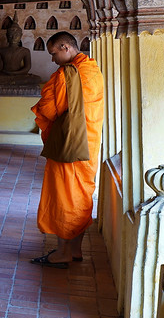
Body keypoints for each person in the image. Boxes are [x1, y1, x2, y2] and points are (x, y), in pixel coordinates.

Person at [30, 31, 104, 268]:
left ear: (65, 47)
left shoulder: (67, 74)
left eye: (54, 53)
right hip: (89, 143)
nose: (53, 60)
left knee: (65, 195)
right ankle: (74, 249)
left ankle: (62, 252)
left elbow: (49, 110)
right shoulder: (92, 70)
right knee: (81, 193)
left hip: (70, 143)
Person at [0, 12, 41, 87]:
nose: (13, 37)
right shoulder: (0, 51)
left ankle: (8, 82)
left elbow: (27, 67)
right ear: (7, 36)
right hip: (4, 75)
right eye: (11, 35)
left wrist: (15, 73)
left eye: (16, 35)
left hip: (19, 75)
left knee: (37, 79)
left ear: (20, 36)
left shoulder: (25, 51)